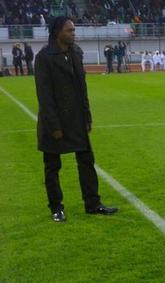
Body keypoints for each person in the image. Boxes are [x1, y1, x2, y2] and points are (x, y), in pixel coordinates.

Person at [34, 17, 118, 222]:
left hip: (77, 119)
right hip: (54, 122)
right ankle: (56, 208)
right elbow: (44, 95)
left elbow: (82, 88)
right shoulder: (44, 57)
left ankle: (93, 203)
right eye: (69, 30)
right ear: (57, 32)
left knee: (86, 161)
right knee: (52, 166)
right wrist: (54, 126)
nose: (74, 33)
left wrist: (87, 116)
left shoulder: (76, 53)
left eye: (74, 30)